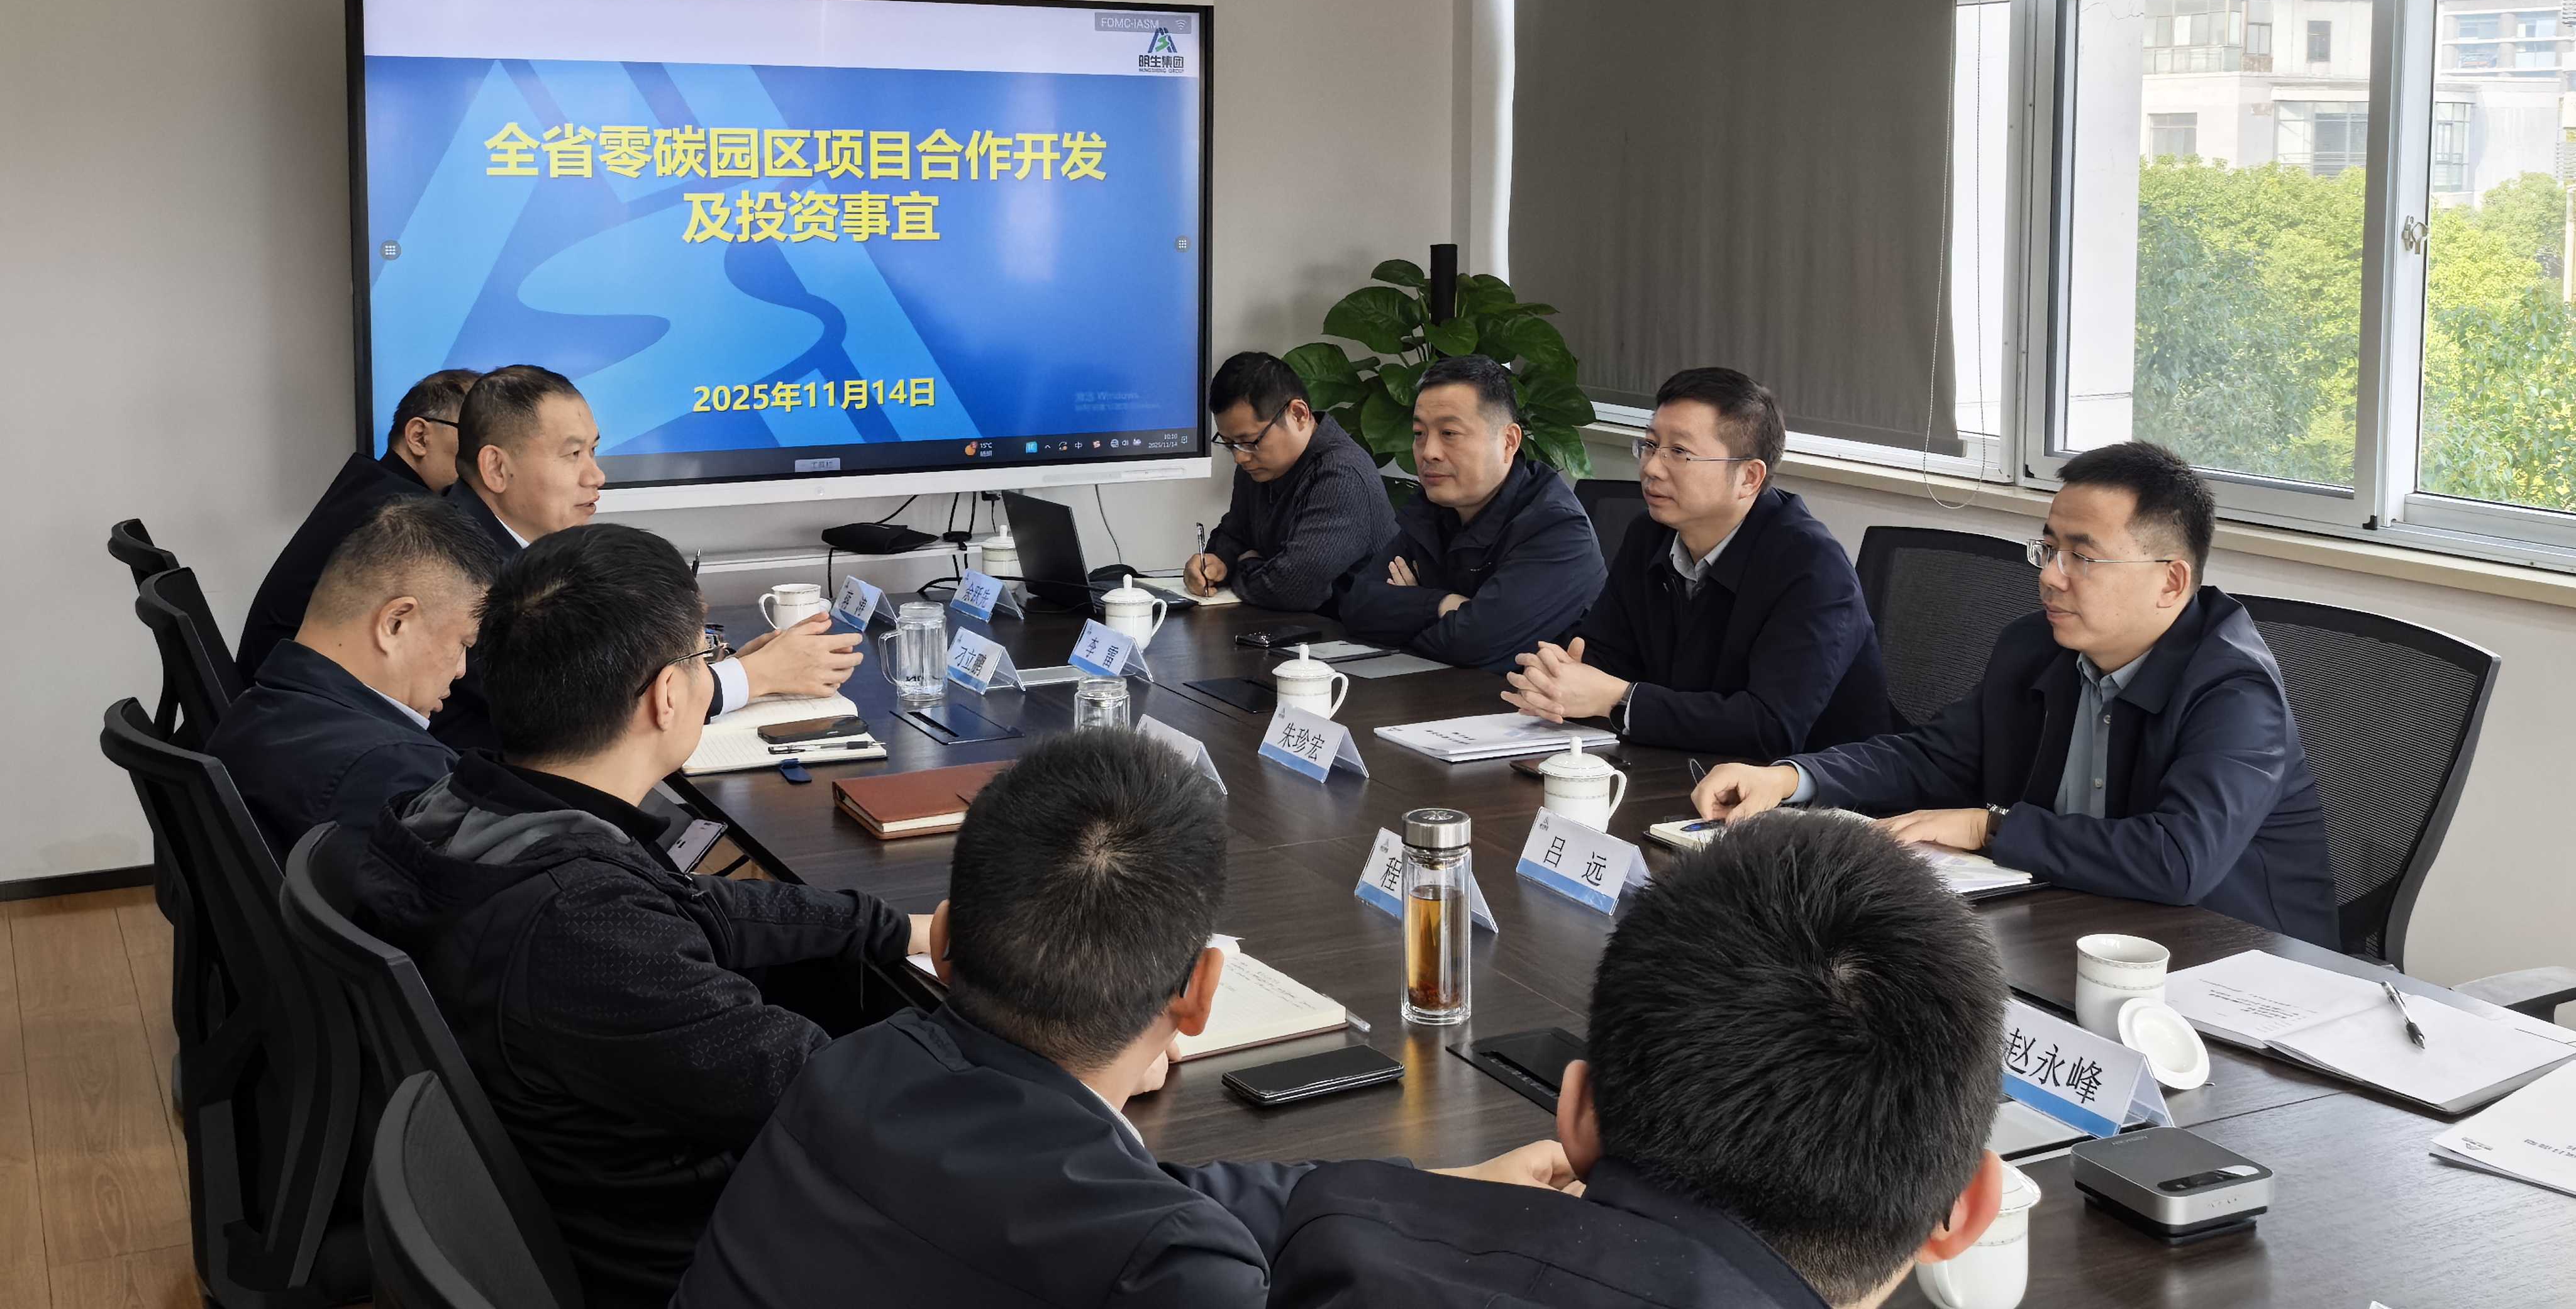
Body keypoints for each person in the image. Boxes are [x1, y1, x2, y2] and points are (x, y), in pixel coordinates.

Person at [678, 729, 1567, 1309]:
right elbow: (1159, 1221)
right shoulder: (1168, 1269)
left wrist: (1437, 1194)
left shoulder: (851, 1066)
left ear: (941, 942)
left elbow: (1162, 1193)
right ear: (1200, 994)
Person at [350, 522, 931, 1309]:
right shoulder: (587, 927)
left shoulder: (457, 807)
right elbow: (835, 1100)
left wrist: (894, 928)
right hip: (689, 1260)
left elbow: (695, 904)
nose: (707, 671)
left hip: (581, 1190)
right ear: (667, 695)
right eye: (703, 656)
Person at [1267, 809, 2009, 1309]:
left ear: (1576, 1114)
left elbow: (1230, 1210)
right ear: (1967, 1210)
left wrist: (1418, 1197)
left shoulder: (1333, 1249)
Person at [1689, 441, 2338, 944]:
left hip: (2237, 966)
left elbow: (2177, 860)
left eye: (2082, 557)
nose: (2051, 577)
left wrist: (1988, 827)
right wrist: (1791, 778)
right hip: (2079, 924)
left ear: (2170, 582)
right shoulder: (2036, 647)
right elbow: (1933, 756)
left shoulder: (2233, 689)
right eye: (2048, 549)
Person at [434, 363, 853, 748]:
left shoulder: (507, 542)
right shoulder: (455, 568)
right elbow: (582, 706)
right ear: (497, 468)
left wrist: (706, 673)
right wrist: (754, 676)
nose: (596, 476)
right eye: (573, 454)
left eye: (593, 451)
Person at [1503, 368, 1892, 758]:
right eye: (1651, 445)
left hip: (1812, 785)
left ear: (1749, 478)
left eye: (1679, 453)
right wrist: (1559, 675)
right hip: (1677, 763)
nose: (1652, 468)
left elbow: (1771, 727)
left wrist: (1618, 699)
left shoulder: (1813, 568)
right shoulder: (1649, 535)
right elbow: (1607, 653)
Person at [208, 494, 494, 854]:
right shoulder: (399, 770)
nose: (461, 669)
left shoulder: (248, 713)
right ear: (396, 623)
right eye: (463, 643)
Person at [1338, 356, 1606, 673]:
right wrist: (1441, 603)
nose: (1428, 452)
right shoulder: (1436, 508)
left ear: (1508, 442)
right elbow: (1358, 607)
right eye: (1419, 433)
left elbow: (1471, 644)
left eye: (1449, 433)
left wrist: (1407, 610)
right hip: (1435, 692)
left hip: (1515, 700)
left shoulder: (1558, 528)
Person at [235, 368, 479, 676]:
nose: (486, 454)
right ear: (419, 436)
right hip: (296, 687)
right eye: (474, 437)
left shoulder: (373, 484)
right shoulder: (399, 514)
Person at [1185, 350, 1397, 612]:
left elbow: (1293, 588)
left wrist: (1245, 566)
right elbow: (1235, 533)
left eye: (1249, 442)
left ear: (1298, 414)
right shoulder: (1259, 465)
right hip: (1287, 626)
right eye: (1229, 444)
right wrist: (1215, 563)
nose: (1240, 457)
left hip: (1350, 631)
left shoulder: (1343, 474)